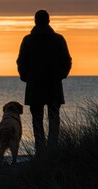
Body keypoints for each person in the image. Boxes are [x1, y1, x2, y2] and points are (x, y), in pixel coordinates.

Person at [17, 10, 72, 156]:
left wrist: (25, 77)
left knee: (37, 119)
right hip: (53, 85)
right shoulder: (58, 39)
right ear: (48, 21)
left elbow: (21, 62)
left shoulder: (28, 40)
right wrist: (60, 76)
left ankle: (40, 151)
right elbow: (67, 61)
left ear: (35, 21)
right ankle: (52, 149)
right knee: (53, 118)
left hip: (34, 86)